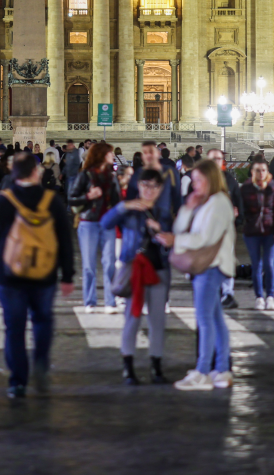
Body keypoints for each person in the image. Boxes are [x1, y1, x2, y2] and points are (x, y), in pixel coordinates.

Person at [0, 153, 76, 398]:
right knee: (42, 320)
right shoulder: (51, 200)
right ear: (35, 172)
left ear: (13, 174)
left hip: (9, 275)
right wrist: (68, 275)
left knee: (14, 327)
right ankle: (40, 363)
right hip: (45, 273)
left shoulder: (1, 201)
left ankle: (18, 381)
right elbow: (65, 240)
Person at [166, 159, 237, 391]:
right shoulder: (207, 201)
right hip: (208, 266)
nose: (194, 184)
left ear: (211, 179)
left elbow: (203, 238)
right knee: (215, 318)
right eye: (193, 179)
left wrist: (175, 241)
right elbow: (181, 228)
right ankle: (222, 370)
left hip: (211, 266)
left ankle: (204, 371)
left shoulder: (218, 203)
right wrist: (188, 207)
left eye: (198, 180)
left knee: (204, 319)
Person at [100, 168, 174, 385]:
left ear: (160, 189)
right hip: (134, 271)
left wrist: (163, 231)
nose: (149, 190)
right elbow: (105, 223)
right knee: (131, 319)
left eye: (154, 186)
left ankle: (156, 368)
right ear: (138, 186)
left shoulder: (164, 213)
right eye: (145, 185)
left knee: (157, 321)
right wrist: (124, 205)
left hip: (159, 270)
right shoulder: (130, 210)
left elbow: (173, 239)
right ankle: (128, 368)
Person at [67, 142, 120, 313]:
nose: (112, 156)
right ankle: (90, 301)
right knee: (89, 265)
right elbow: (72, 198)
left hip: (107, 223)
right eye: (110, 153)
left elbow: (117, 202)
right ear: (102, 155)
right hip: (88, 223)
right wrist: (88, 196)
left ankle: (110, 301)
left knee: (109, 263)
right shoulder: (86, 175)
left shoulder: (112, 176)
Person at [240, 161, 274, 310]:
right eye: (258, 170)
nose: (261, 174)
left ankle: (270, 296)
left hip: (270, 230)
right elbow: (241, 209)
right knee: (256, 264)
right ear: (252, 172)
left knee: (269, 263)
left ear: (267, 172)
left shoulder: (272, 187)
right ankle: (259, 297)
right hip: (252, 231)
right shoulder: (246, 188)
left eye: (263, 170)